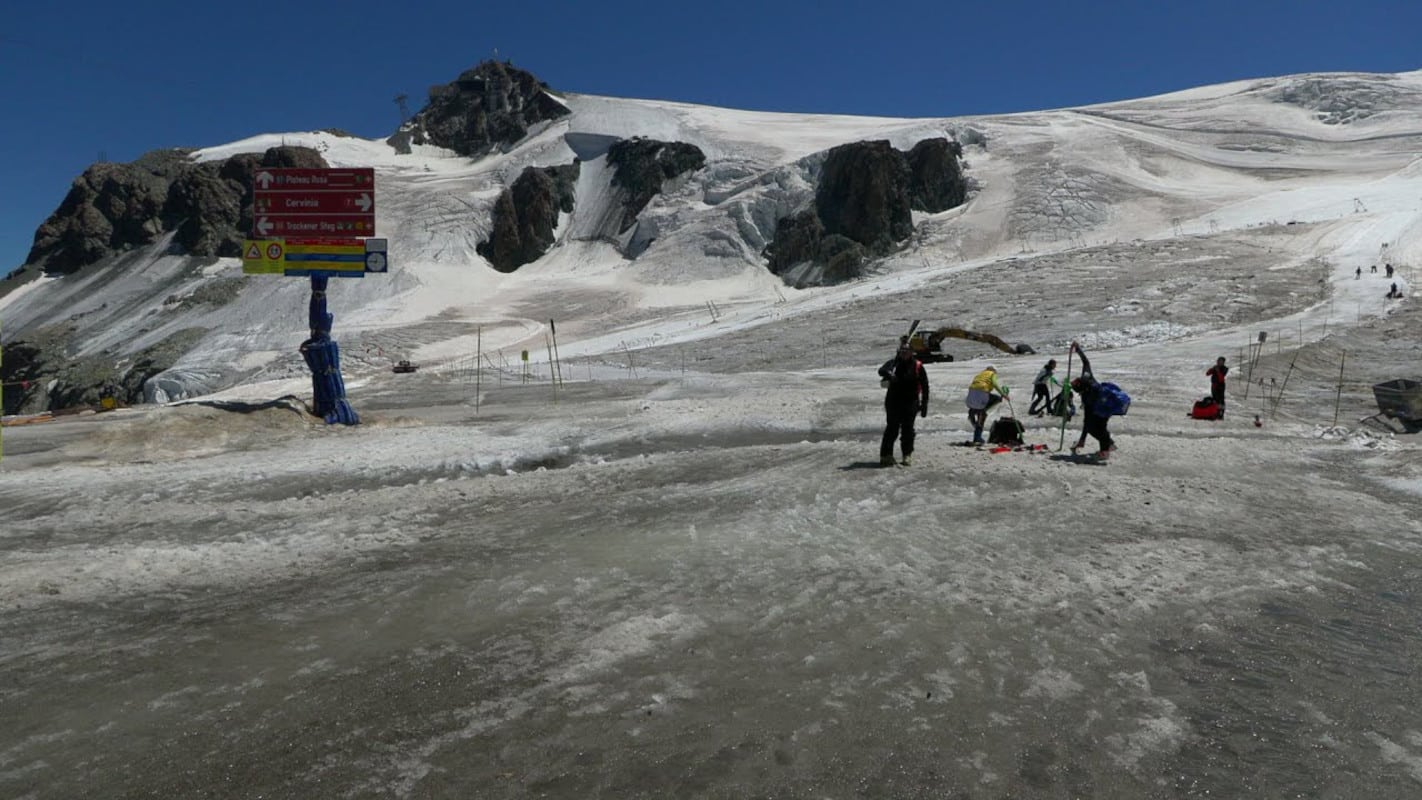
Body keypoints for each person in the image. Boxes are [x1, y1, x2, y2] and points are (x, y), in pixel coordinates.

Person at [878, 344, 930, 466]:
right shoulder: (894, 363)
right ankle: (886, 455)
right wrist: (889, 375)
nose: (904, 353)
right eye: (902, 351)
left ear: (912, 352)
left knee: (908, 430)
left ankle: (907, 455)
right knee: (892, 429)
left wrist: (924, 405)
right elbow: (881, 370)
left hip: (911, 402)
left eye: (907, 351)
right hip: (893, 402)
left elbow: (925, 386)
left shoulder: (918, 366)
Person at [1069, 342, 1115, 460]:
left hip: (1103, 408)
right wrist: (1078, 349)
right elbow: (1086, 362)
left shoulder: (1085, 396)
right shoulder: (1087, 377)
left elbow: (1087, 420)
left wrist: (1083, 438)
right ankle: (1109, 445)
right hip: (1106, 404)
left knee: (1097, 429)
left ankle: (1105, 450)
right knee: (1096, 427)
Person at [965, 365, 1008, 445]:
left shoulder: (980, 374)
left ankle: (973, 413)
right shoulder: (992, 374)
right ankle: (977, 437)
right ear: (994, 371)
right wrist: (1003, 394)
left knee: (979, 410)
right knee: (997, 399)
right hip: (982, 393)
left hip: (971, 395)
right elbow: (995, 384)